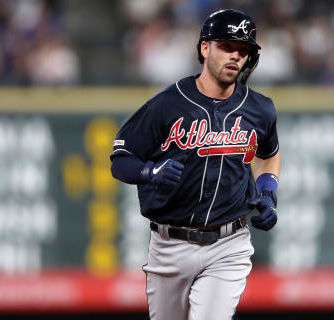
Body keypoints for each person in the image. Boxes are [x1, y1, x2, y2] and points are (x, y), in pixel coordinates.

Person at [110, 9, 281, 320]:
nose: (235, 56)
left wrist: (268, 190)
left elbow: (268, 152)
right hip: (170, 245)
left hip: (229, 245)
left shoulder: (260, 108)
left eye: (242, 50)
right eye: (227, 46)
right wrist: (150, 172)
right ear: (205, 48)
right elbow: (121, 160)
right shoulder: (167, 104)